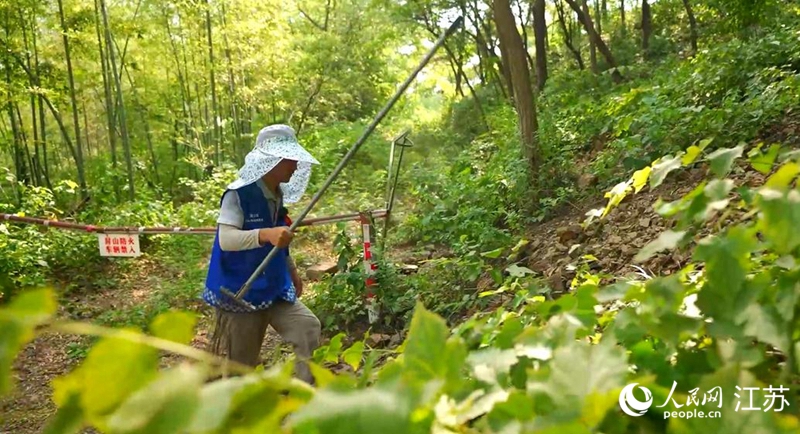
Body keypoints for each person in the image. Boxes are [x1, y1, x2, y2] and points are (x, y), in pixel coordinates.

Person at [203, 124, 322, 385]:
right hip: (239, 292)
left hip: (273, 286)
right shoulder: (237, 195)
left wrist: (291, 270)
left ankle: (307, 394)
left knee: (307, 328)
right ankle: (237, 413)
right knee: (241, 366)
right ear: (273, 161)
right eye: (290, 159)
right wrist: (264, 234)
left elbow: (281, 238)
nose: (294, 166)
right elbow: (227, 240)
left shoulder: (277, 195)